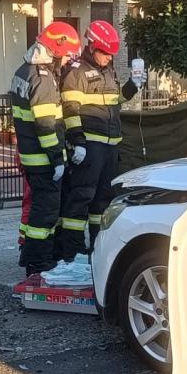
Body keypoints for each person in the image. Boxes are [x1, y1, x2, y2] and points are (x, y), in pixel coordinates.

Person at [56, 20, 134, 260]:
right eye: (106, 53)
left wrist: (132, 86)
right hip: (89, 146)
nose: (110, 58)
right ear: (92, 47)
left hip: (110, 145)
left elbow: (115, 101)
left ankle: (97, 250)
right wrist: (78, 142)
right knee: (81, 197)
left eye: (112, 54)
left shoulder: (108, 70)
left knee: (103, 201)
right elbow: (70, 109)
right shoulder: (76, 71)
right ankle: (72, 252)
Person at [9, 21, 81, 276]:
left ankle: (36, 257)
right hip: (43, 160)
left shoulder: (23, 71)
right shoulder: (43, 79)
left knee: (40, 211)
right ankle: (39, 263)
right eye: (67, 55)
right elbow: (46, 125)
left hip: (31, 156)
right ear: (56, 49)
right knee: (45, 214)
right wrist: (57, 159)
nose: (68, 61)